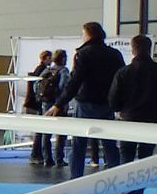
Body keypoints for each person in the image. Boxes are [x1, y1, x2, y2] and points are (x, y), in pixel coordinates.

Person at [49, 22, 124, 180]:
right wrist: (120, 104)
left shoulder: (83, 54)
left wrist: (59, 103)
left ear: (88, 34)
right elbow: (121, 80)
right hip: (107, 104)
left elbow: (75, 82)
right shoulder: (115, 54)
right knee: (110, 145)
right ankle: (116, 179)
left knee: (79, 144)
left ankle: (76, 179)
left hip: (86, 103)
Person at [107, 34, 157, 194]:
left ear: (132, 50)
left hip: (129, 119)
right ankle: (139, 191)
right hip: (153, 120)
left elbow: (113, 99)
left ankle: (124, 187)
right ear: (150, 49)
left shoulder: (123, 72)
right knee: (146, 157)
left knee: (126, 156)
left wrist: (119, 109)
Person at [39, 49, 70, 170]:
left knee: (46, 132)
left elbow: (37, 84)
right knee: (61, 133)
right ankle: (59, 159)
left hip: (46, 104)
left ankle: (47, 159)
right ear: (63, 59)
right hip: (58, 105)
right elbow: (64, 87)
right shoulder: (63, 71)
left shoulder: (47, 70)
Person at [26, 50, 54, 166]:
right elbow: (37, 88)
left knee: (40, 130)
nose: (51, 60)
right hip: (40, 103)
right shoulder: (42, 70)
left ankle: (37, 154)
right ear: (46, 58)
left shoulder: (40, 69)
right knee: (40, 131)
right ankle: (35, 155)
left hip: (38, 102)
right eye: (50, 58)